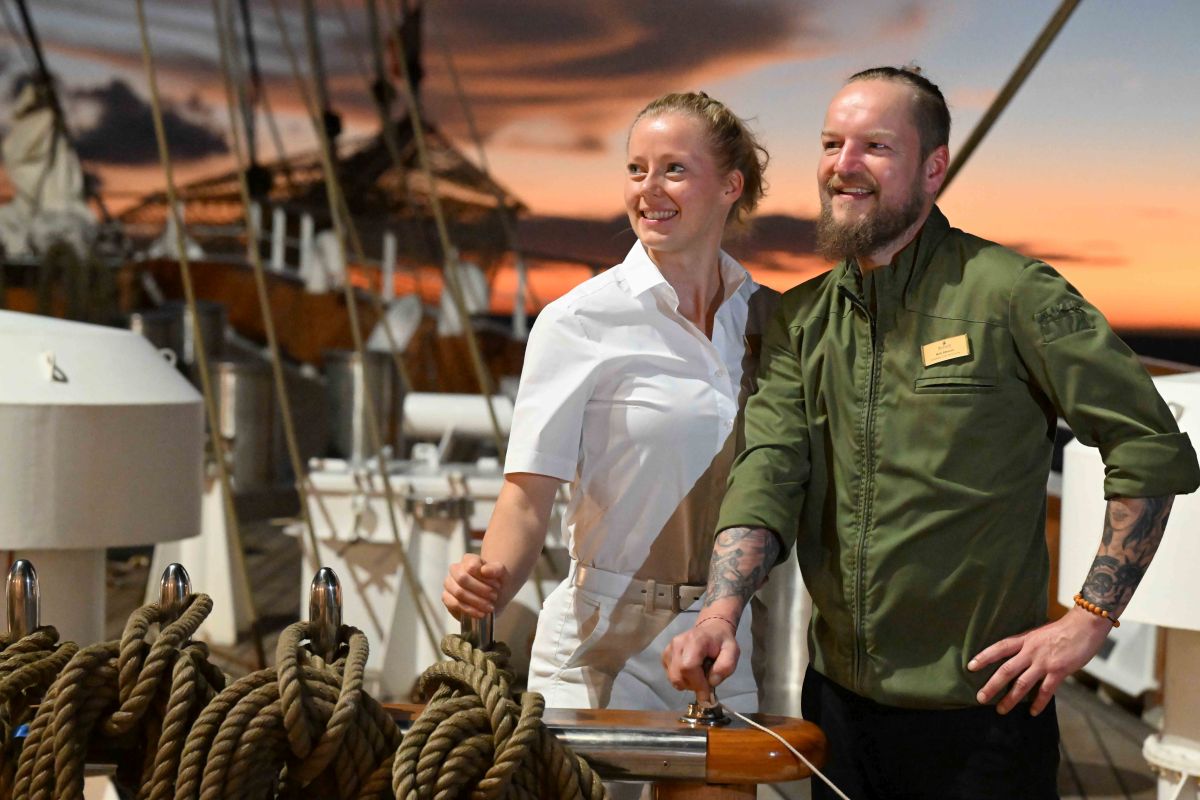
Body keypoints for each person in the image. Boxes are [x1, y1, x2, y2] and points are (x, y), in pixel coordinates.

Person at [663, 66, 1200, 799]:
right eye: (831, 143)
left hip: (987, 711)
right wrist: (721, 609)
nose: (844, 166)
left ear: (933, 167)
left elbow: (1149, 444)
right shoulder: (801, 320)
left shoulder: (1012, 292)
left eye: (875, 146)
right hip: (840, 710)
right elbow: (771, 468)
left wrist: (1089, 619)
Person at [442, 91, 777, 716]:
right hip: (595, 646)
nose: (649, 188)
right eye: (636, 169)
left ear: (732, 185)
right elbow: (526, 495)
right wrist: (485, 582)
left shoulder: (770, 321)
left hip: (722, 643)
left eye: (674, 169)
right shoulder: (579, 319)